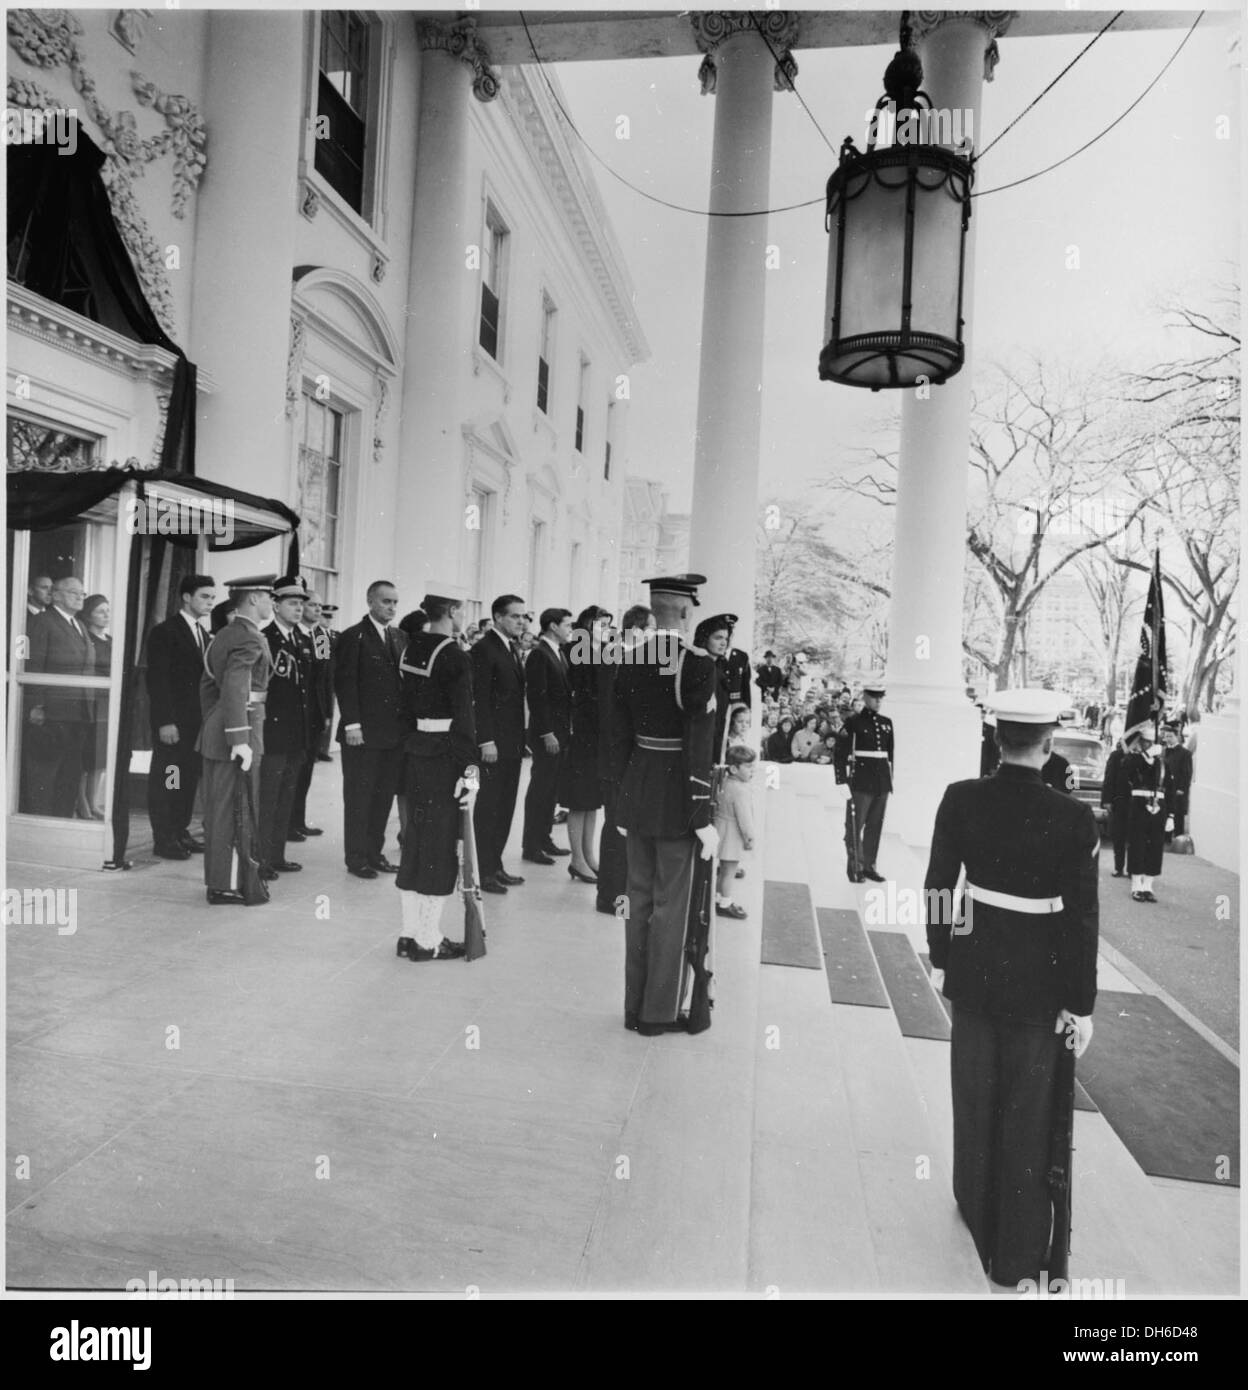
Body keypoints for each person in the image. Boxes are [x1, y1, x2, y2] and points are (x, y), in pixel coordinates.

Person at [924, 687, 1098, 1289]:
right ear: (1049, 745)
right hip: (1039, 979)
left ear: (998, 740)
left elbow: (940, 884)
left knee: (974, 1093)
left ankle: (974, 1206)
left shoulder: (961, 797)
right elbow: (1080, 917)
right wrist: (1081, 1003)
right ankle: (1017, 1254)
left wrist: (944, 956)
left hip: (974, 968)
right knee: (1027, 1111)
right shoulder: (1073, 817)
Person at [609, 574, 719, 1036]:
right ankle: (657, 1013)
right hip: (677, 799)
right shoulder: (696, 664)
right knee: (672, 906)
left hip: (637, 792)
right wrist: (702, 815)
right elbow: (698, 745)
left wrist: (618, 800)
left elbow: (615, 737)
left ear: (655, 611)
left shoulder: (629, 657)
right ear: (687, 611)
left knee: (638, 902)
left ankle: (634, 1007)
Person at [394, 589, 478, 962]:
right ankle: (428, 941)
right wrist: (470, 773)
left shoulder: (412, 649)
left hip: (416, 753)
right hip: (444, 757)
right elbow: (465, 719)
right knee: (440, 847)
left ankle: (408, 933)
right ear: (453, 611)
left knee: (415, 842)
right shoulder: (454, 655)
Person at [196, 575, 275, 906]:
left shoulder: (226, 634)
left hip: (222, 727)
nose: (272, 603)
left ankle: (222, 881)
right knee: (233, 810)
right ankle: (225, 884)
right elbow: (235, 687)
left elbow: (207, 686)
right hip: (239, 730)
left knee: (220, 809)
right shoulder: (248, 637)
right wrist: (239, 738)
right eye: (269, 597)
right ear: (255, 598)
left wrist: (216, 724)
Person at [334, 580, 404, 879]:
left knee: (383, 797)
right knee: (360, 798)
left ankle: (375, 853)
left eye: (394, 603)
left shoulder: (400, 637)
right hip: (361, 733)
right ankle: (357, 858)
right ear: (370, 601)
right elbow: (345, 683)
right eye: (386, 601)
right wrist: (352, 724)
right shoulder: (354, 636)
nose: (391, 607)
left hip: (392, 734)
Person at [146, 574, 215, 857]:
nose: (210, 602)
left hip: (196, 724)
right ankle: (164, 837)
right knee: (169, 777)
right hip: (173, 724)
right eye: (204, 596)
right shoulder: (166, 632)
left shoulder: (204, 634)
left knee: (186, 778)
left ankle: (179, 830)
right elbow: (158, 680)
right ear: (186, 597)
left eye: (212, 598)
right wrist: (165, 721)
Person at [595, 604, 654, 916]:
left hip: (626, 757)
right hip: (617, 758)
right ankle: (612, 898)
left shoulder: (631, 658)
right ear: (638, 630)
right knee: (616, 827)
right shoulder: (615, 657)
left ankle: (619, 894)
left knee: (622, 826)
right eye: (652, 630)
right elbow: (612, 714)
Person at [470, 593, 529, 894]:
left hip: (512, 744)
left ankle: (495, 865)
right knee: (489, 809)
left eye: (523, 616)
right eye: (514, 616)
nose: (521, 621)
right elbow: (479, 700)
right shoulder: (484, 649)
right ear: (497, 618)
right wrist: (486, 740)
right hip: (494, 746)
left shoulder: (509, 648)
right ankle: (483, 870)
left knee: (504, 808)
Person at [24, 576, 96, 818]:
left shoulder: (79, 624)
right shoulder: (43, 622)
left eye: (83, 594)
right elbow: (32, 665)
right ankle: (40, 830)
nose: (80, 597)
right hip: (52, 714)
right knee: (45, 776)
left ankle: (62, 826)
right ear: (56, 595)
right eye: (74, 592)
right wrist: (36, 706)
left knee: (69, 777)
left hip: (78, 714)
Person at [258, 579, 310, 879]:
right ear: (275, 605)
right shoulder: (266, 638)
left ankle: (276, 855)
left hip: (294, 736)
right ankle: (262, 859)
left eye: (301, 603)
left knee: (285, 799)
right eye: (292, 602)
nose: (299, 607)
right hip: (273, 735)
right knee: (268, 800)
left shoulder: (299, 639)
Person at [564, 605, 613, 885]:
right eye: (600, 623)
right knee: (579, 800)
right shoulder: (577, 650)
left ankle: (588, 855)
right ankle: (576, 859)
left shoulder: (604, 651)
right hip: (582, 732)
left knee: (593, 800)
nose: (605, 628)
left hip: (597, 734)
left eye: (608, 624)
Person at [522, 607, 574, 865]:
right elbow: (537, 698)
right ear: (553, 626)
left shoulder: (558, 653)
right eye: (567, 625)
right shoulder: (539, 655)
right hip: (548, 735)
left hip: (560, 733)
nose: (570, 630)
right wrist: (547, 733)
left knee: (551, 789)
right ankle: (532, 845)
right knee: (541, 790)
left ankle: (544, 838)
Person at [833, 678, 893, 883]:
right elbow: (839, 752)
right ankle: (855, 866)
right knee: (854, 824)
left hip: (881, 782)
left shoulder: (886, 723)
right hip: (860, 781)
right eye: (874, 698)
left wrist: (889, 781)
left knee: (875, 826)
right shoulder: (853, 722)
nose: (878, 701)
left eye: (880, 698)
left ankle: (869, 865)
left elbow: (889, 756)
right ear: (866, 697)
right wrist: (841, 780)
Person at [287, 590, 331, 840]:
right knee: (294, 770)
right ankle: (289, 823)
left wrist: (325, 712)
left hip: (314, 714)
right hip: (297, 714)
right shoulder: (294, 635)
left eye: (319, 605)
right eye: (312, 605)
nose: (316, 609)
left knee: (306, 772)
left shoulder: (321, 637)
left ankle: (299, 820)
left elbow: (324, 677)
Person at [1123, 728, 1167, 902]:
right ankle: (1136, 885)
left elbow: (1168, 788)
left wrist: (1170, 815)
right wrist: (1146, 756)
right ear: (1140, 743)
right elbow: (1127, 769)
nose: (1148, 745)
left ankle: (1148, 885)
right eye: (1145, 743)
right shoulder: (1133, 759)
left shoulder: (1162, 762)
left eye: (1151, 743)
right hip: (1139, 806)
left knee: (1155, 847)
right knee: (1138, 844)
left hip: (1158, 807)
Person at [78, 593, 112, 820]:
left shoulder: (109, 640)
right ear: (89, 614)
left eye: (108, 611)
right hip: (90, 703)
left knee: (100, 758)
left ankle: (93, 801)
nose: (106, 615)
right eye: (101, 611)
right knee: (86, 757)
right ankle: (81, 804)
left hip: (107, 705)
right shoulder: (84, 638)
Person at [713, 744, 756, 919]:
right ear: (733, 768)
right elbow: (744, 818)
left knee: (723, 870)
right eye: (747, 767)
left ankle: (717, 898)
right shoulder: (740, 790)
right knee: (729, 871)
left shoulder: (727, 782)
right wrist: (750, 838)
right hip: (733, 835)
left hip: (722, 830)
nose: (752, 771)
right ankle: (725, 903)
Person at [1100, 737, 1131, 877]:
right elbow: (1109, 778)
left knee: (1134, 837)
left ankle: (1132, 869)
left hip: (1137, 802)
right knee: (1119, 836)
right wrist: (1107, 800)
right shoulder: (1116, 755)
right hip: (1120, 801)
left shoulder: (1143, 757)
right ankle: (1119, 867)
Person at [314, 602, 340, 761]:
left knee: (329, 712)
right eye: (325, 616)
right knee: (322, 712)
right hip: (323, 679)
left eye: (330, 617)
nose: (328, 620)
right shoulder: (319, 635)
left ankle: (323, 749)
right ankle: (317, 749)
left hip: (332, 679)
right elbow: (324, 661)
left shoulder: (335, 634)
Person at [1161, 721, 1193, 839]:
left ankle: (1179, 837)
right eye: (1166, 736)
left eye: (1171, 736)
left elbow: (1187, 773)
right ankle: (1167, 837)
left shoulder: (1185, 753)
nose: (1168, 739)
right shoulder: (1164, 751)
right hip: (1167, 787)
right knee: (1167, 811)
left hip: (1178, 787)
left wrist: (1182, 788)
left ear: (1177, 737)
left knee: (1178, 813)